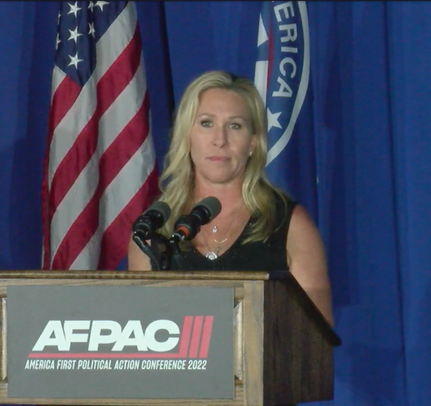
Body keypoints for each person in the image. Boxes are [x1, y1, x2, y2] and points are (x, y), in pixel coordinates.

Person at [127, 70, 333, 326]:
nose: (220, 140)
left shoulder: (290, 224)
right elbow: (139, 335)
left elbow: (316, 339)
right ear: (186, 135)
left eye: (235, 126)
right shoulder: (154, 229)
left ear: (252, 143)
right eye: (206, 123)